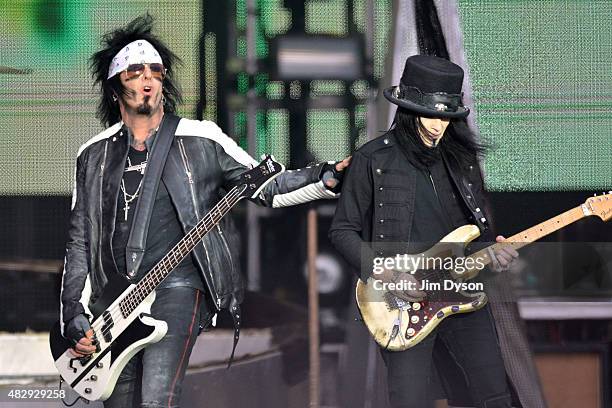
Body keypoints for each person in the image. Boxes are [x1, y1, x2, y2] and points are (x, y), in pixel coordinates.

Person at [59, 15, 349, 408]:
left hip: (181, 284)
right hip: (114, 303)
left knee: (157, 397)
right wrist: (73, 313)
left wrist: (325, 177)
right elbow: (80, 241)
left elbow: (267, 187)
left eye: (156, 71)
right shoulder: (91, 155)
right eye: (134, 71)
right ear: (115, 89)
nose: (148, 79)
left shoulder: (201, 138)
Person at [329, 54, 521, 407]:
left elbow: (476, 233)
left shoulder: (461, 162)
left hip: (461, 292)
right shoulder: (374, 160)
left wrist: (495, 253)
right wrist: (385, 273)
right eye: (430, 114)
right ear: (407, 108)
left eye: (446, 116)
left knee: (493, 394)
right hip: (404, 300)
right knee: (410, 398)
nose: (437, 125)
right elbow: (342, 230)